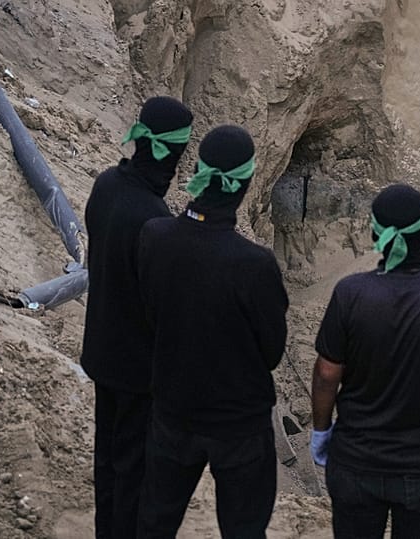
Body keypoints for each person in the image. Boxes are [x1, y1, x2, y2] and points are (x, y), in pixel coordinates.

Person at [135, 125, 288, 538]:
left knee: (154, 521)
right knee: (243, 528)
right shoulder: (254, 265)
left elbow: (150, 315)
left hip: (172, 409)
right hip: (239, 424)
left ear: (199, 171)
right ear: (246, 183)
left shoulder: (155, 235)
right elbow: (271, 351)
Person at [310, 184, 420, 539]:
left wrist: (321, 430)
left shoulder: (350, 293)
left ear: (376, 235)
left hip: (356, 462)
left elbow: (327, 375)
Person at [80, 96, 194, 539]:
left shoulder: (106, 185)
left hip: (101, 350)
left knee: (107, 460)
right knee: (133, 472)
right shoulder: (153, 218)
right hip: (136, 371)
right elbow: (163, 306)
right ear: (171, 154)